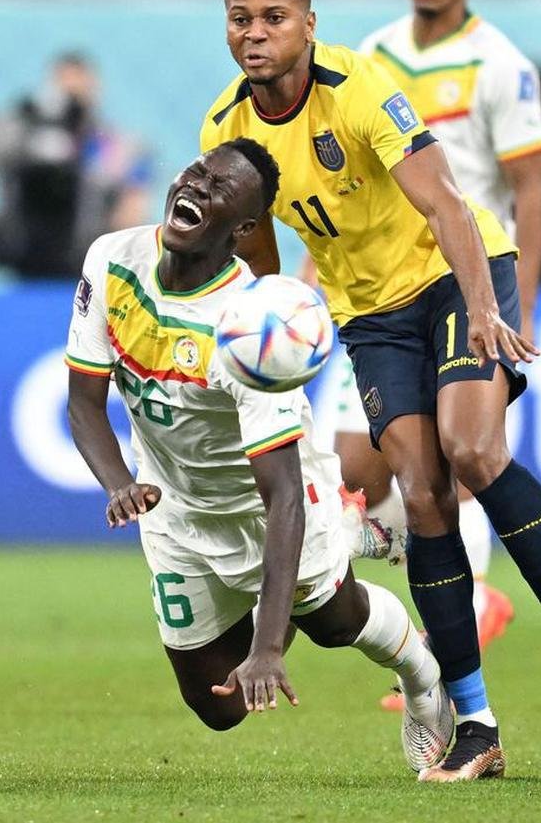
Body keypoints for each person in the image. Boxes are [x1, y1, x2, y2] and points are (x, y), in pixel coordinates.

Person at [199, 0, 541, 781]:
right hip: (369, 316)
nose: (255, 33)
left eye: (274, 17)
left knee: (472, 450)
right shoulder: (225, 127)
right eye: (240, 18)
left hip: (454, 276)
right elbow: (258, 261)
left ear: (309, 24)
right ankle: (476, 724)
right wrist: (267, 350)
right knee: (423, 495)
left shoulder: (358, 84)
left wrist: (483, 307)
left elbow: (446, 203)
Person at [65, 140, 453, 775]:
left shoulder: (254, 330)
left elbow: (283, 496)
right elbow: (83, 402)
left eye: (219, 187)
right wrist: (117, 484)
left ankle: (425, 676)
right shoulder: (111, 260)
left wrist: (269, 647)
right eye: (196, 172)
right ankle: (341, 541)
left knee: (334, 623)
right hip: (175, 511)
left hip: (264, 507)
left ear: (244, 230)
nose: (197, 185)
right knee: (218, 706)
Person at [333, 0, 541, 690]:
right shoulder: (374, 55)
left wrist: (517, 305)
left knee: (459, 458)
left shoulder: (499, 64)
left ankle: (460, 628)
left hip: (468, 283)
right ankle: (461, 596)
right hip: (383, 288)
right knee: (360, 468)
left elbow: (531, 191)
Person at [0, 52, 152, 278]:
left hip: (84, 264)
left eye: (78, 89)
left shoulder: (117, 147)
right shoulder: (21, 135)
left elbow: (132, 215)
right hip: (22, 259)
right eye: (64, 88)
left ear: (94, 88)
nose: (71, 98)